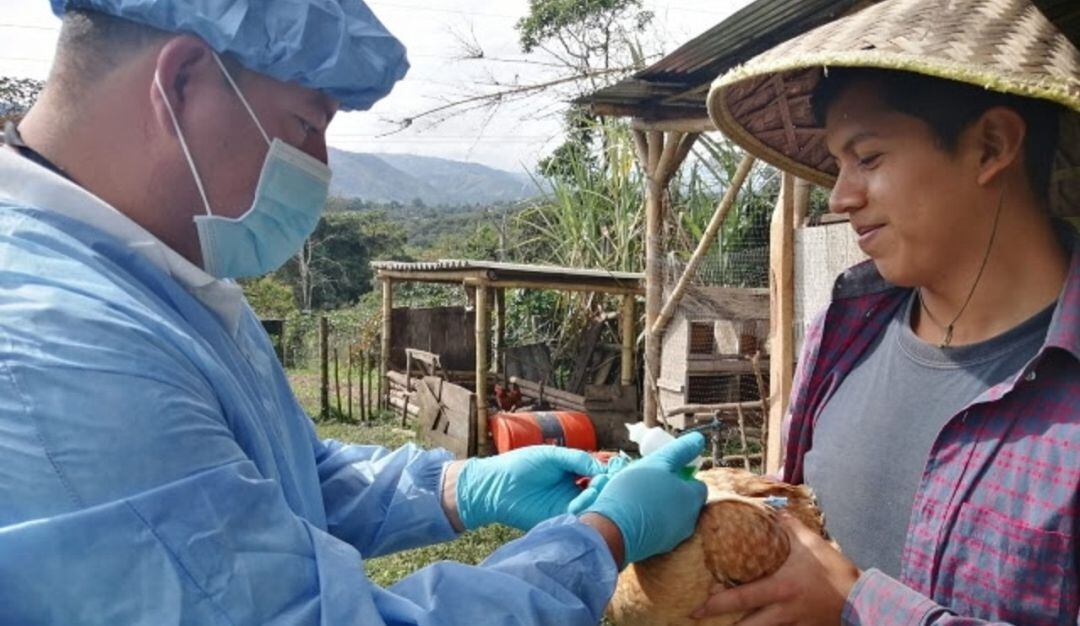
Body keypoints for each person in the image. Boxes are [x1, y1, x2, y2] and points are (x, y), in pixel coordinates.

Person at [0, 2, 709, 624]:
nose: (320, 164)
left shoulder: (165, 280)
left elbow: (276, 483)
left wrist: (461, 487)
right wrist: (600, 540)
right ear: (182, 82)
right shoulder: (53, 345)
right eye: (306, 124)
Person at [692, 0, 1080, 623]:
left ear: (991, 145)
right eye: (839, 164)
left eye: (867, 158)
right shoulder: (847, 330)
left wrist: (856, 605)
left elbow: (834, 593)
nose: (841, 197)